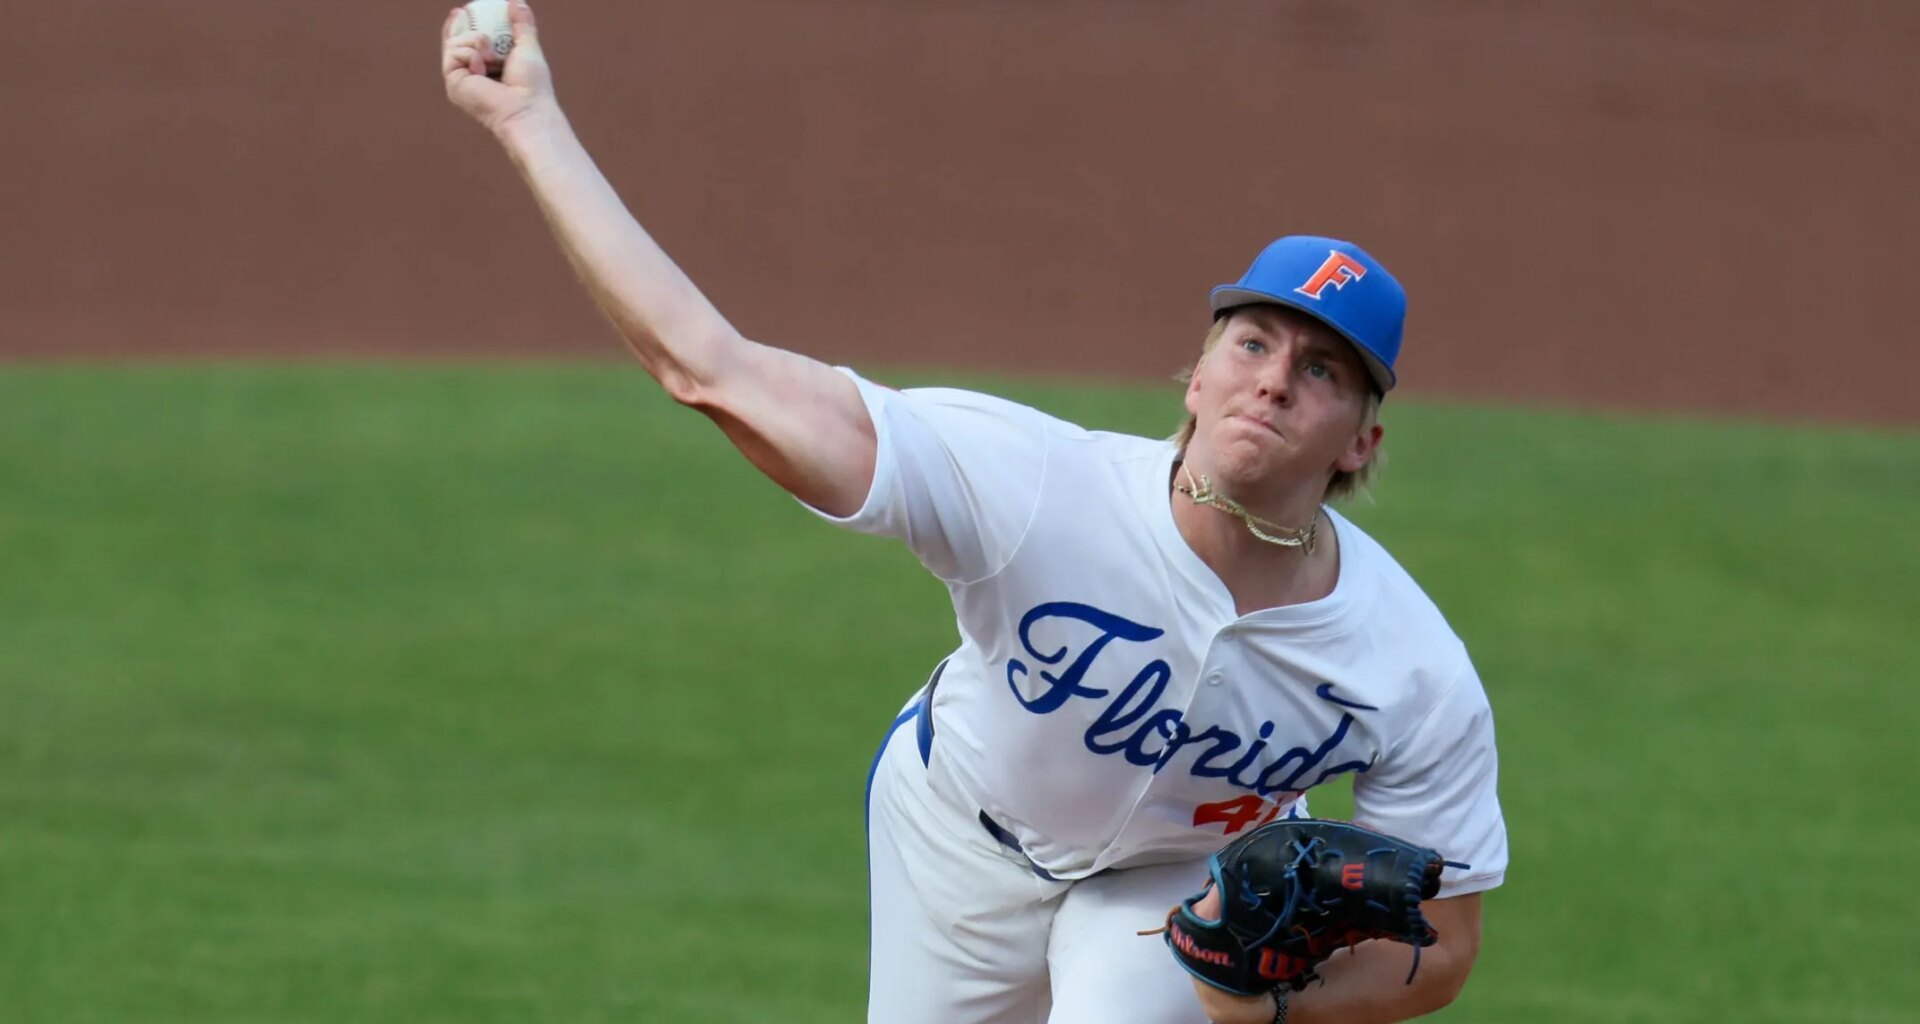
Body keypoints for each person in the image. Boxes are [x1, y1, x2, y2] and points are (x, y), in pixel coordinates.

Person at [439, 4, 1507, 1023]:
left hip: (1179, 890)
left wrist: (1264, 1001)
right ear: (1197, 374)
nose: (1273, 381)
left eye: (1321, 369)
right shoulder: (1033, 486)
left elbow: (1444, 946)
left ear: (1362, 441)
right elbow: (711, 370)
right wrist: (530, 124)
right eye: (1254, 342)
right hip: (958, 842)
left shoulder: (1407, 665)